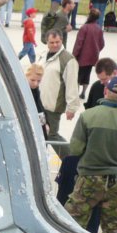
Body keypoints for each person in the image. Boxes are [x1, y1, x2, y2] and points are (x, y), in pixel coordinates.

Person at [64, 76, 117, 233]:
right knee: (112, 230)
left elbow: (75, 149)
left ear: (105, 91)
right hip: (116, 182)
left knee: (74, 224)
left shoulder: (87, 116)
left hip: (89, 179)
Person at [39, 28, 80, 156]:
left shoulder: (68, 59)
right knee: (40, 135)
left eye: (57, 42)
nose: (55, 45)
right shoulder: (43, 55)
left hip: (53, 106)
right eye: (52, 42)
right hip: (39, 104)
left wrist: (72, 107)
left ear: (62, 40)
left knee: (51, 135)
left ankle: (71, 160)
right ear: (47, 42)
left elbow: (72, 84)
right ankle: (41, 159)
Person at [71, 8, 106, 98]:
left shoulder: (84, 28)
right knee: (87, 75)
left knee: (78, 76)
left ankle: (76, 93)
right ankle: (83, 92)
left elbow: (79, 43)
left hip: (82, 57)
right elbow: (102, 44)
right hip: (92, 57)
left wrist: (74, 54)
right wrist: (96, 50)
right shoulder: (99, 29)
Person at [25, 63, 48, 138]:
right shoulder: (23, 91)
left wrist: (45, 124)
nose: (35, 84)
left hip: (38, 125)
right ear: (26, 76)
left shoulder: (36, 90)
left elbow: (40, 108)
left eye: (39, 81)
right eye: (32, 80)